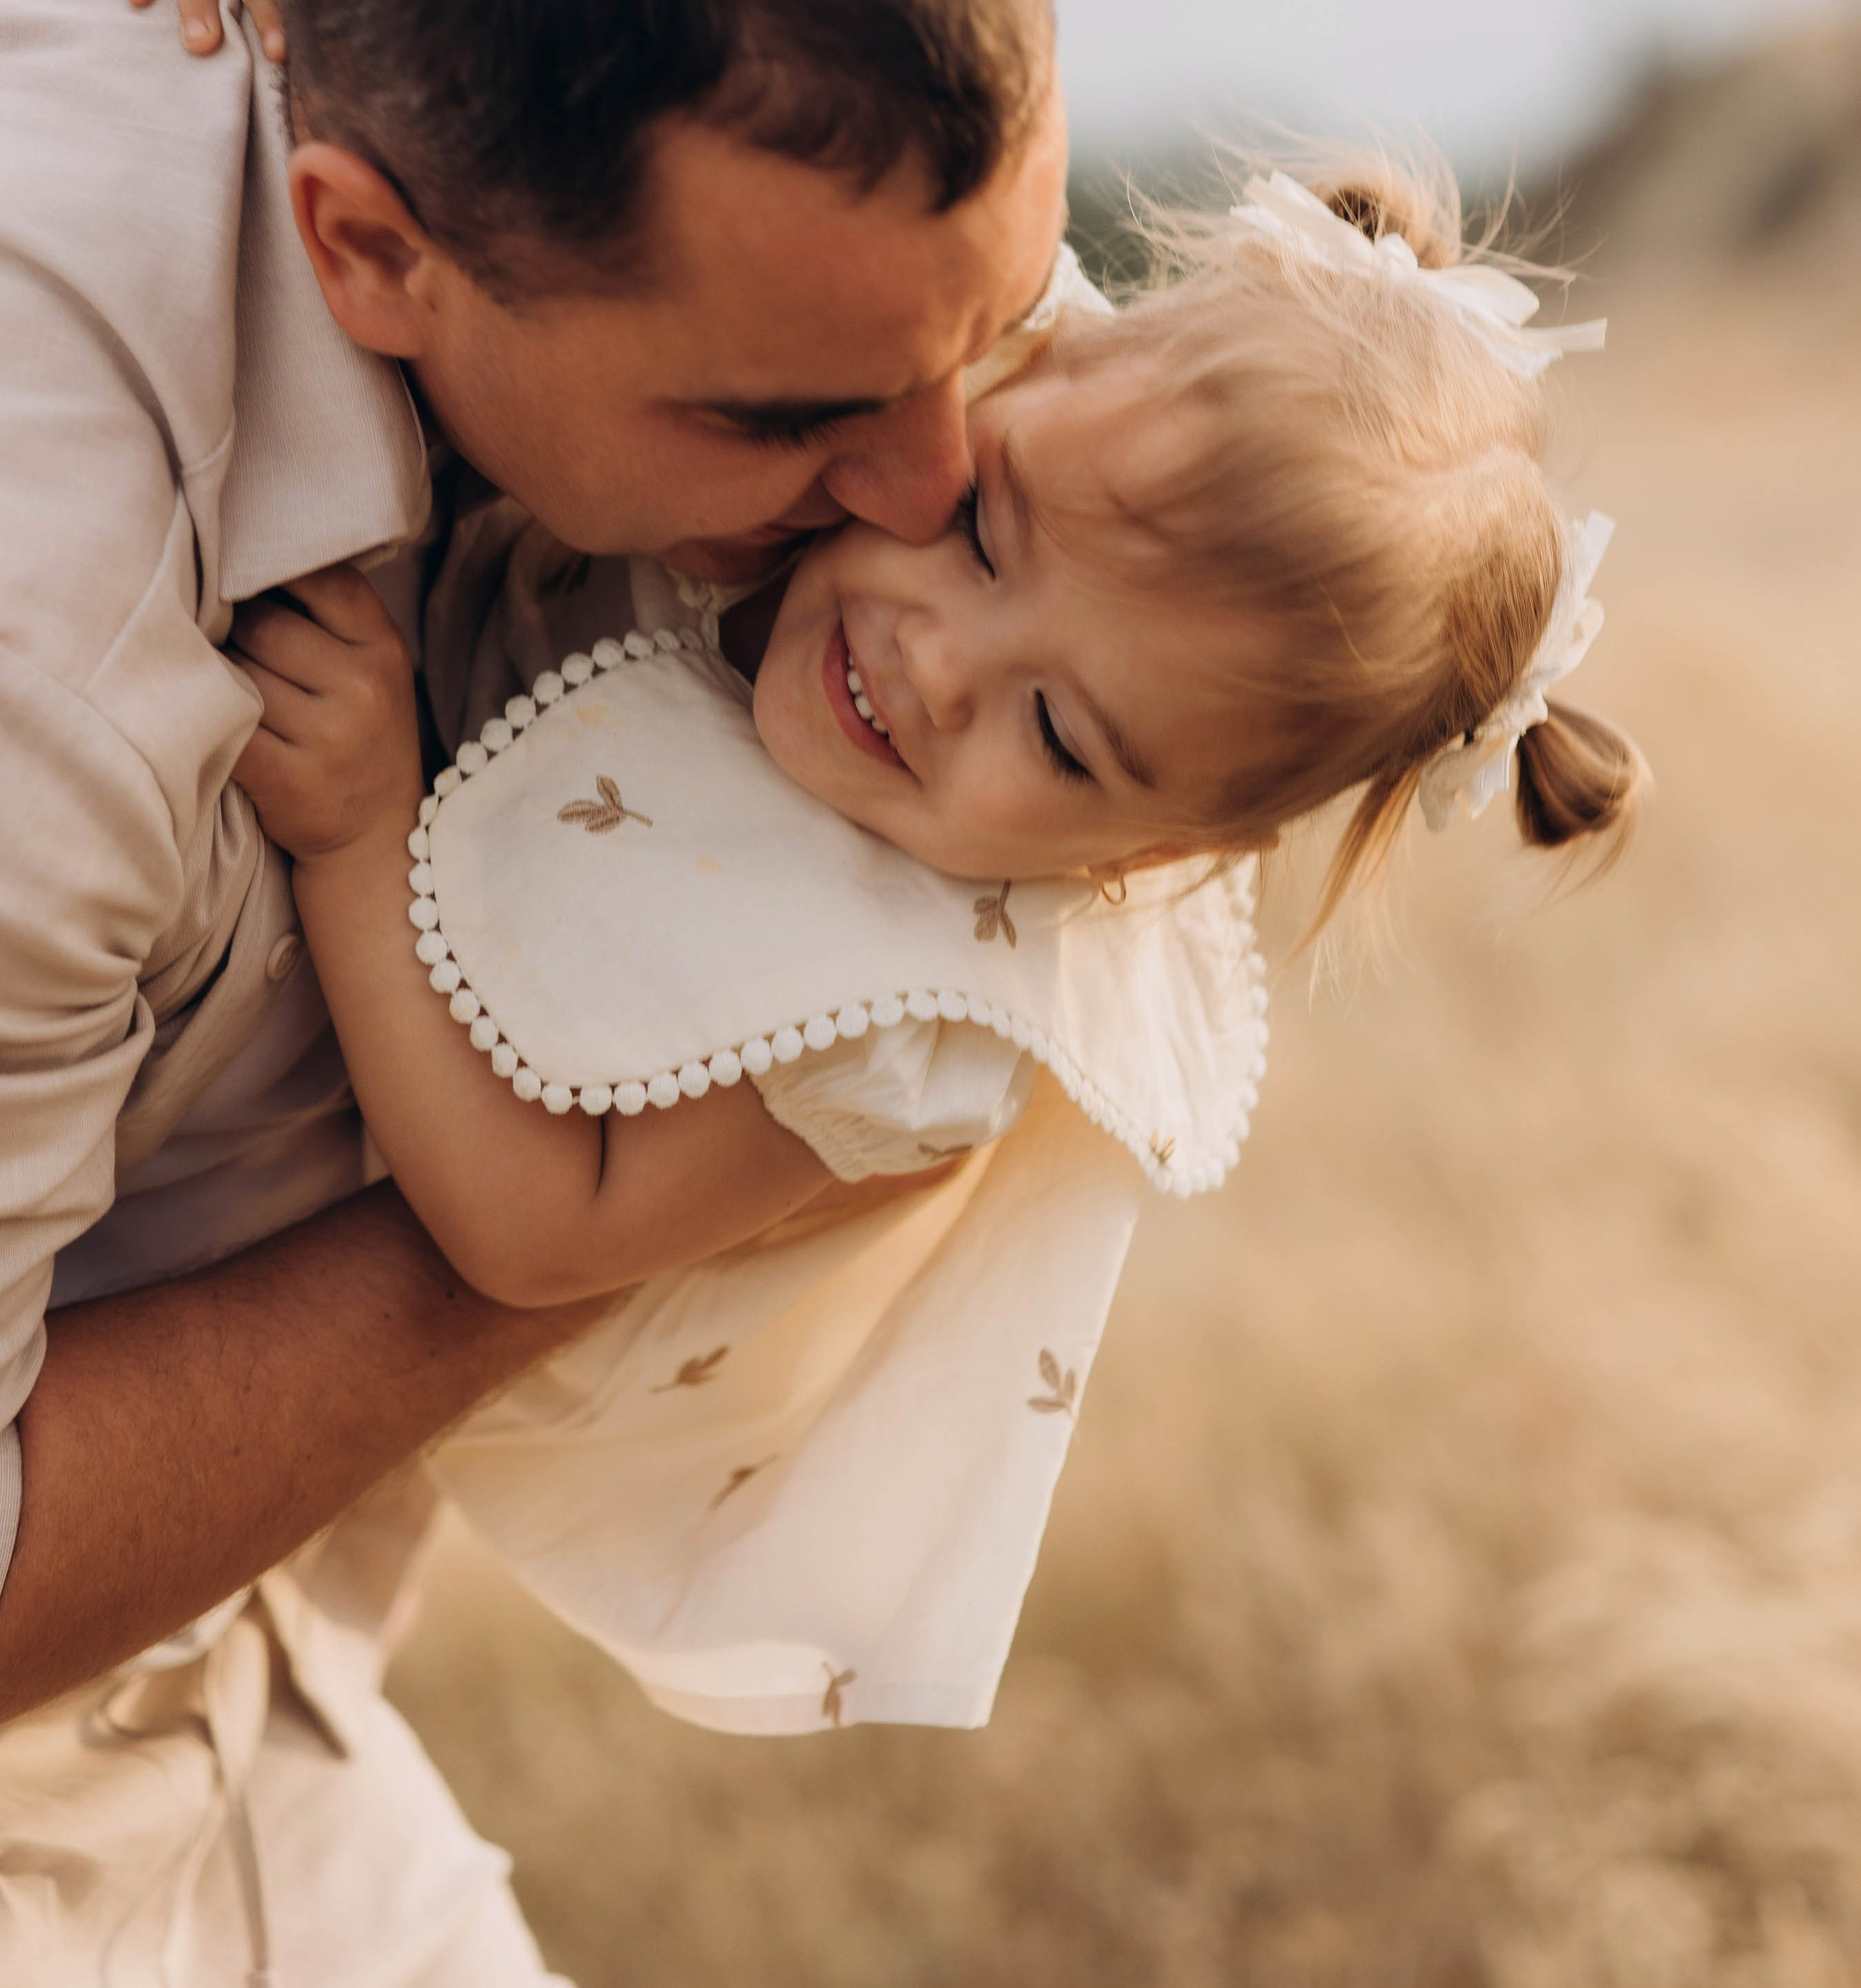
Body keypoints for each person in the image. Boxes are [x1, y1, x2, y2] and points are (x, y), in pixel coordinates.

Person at [0, 0, 1066, 1984]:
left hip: (239, 1699)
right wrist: (640, 1188)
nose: (933, 479)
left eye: (989, 337)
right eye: (785, 422)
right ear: (369, 247)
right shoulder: (43, 648)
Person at [217, 159, 1641, 1741]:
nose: (936, 653)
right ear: (1023, 355)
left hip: (384, 1160)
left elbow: (539, 1230)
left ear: (1161, 852)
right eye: (978, 522)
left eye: (1056, 731)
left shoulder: (902, 1027)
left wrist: (357, 839)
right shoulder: (928, 372)